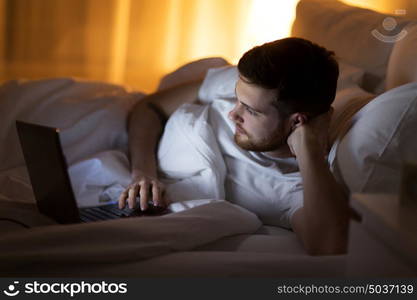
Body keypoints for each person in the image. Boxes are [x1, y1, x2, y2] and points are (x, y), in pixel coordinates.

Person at [118, 37, 350, 255]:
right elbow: (149, 108)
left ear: (297, 121)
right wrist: (142, 172)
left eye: (250, 111)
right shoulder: (253, 86)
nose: (233, 113)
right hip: (135, 180)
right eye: (237, 99)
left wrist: (308, 151)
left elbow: (330, 245)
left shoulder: (292, 186)